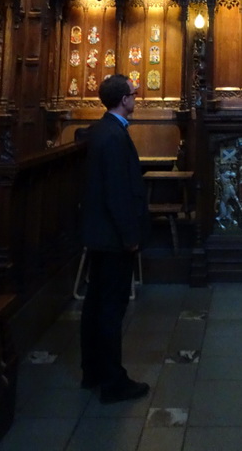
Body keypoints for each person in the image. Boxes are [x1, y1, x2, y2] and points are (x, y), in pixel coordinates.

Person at [80, 74, 150, 403]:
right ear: (123, 99)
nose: (137, 98)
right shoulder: (113, 137)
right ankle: (112, 381)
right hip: (111, 237)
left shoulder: (101, 131)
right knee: (110, 307)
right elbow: (117, 193)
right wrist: (130, 236)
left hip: (99, 234)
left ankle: (92, 370)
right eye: (134, 94)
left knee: (95, 304)